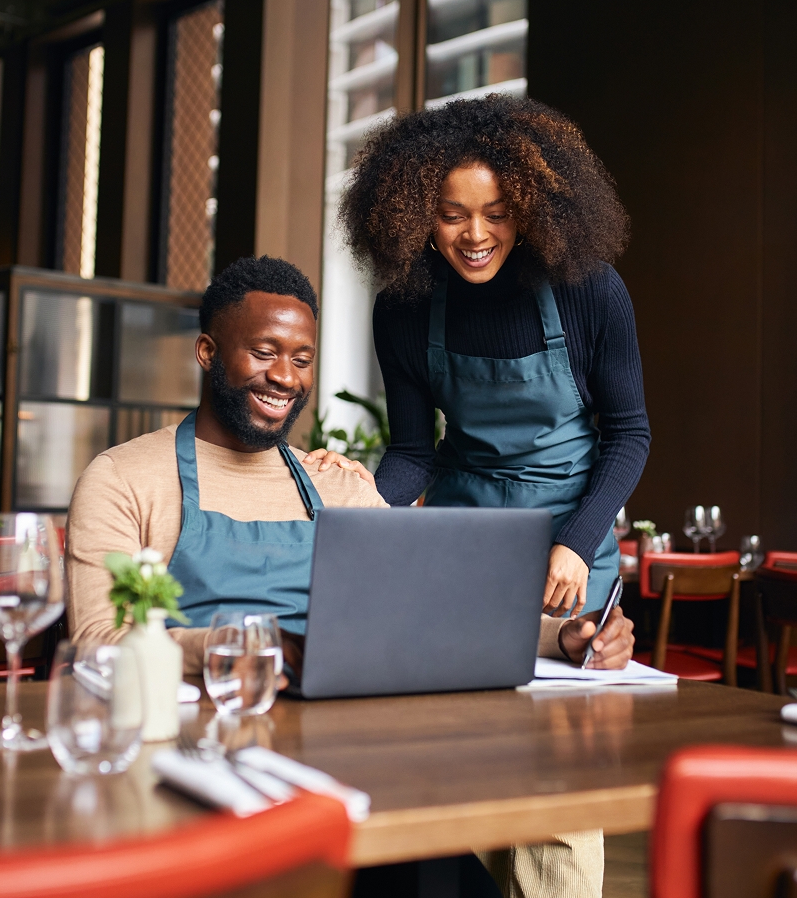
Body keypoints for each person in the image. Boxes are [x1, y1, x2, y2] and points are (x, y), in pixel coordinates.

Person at [67, 255, 635, 680]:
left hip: (333, 736)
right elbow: (94, 643)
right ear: (208, 352)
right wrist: (237, 648)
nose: (285, 377)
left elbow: (434, 613)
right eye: (264, 353)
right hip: (188, 728)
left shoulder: (334, 484)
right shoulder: (124, 478)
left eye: (302, 359)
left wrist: (566, 637)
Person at [307, 95, 650, 623]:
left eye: (498, 214)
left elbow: (629, 434)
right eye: (451, 216)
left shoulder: (590, 291)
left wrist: (579, 544)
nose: (475, 236)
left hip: (569, 537)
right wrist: (361, 504)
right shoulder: (404, 310)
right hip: (459, 531)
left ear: (530, 211)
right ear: (420, 215)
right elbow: (413, 454)